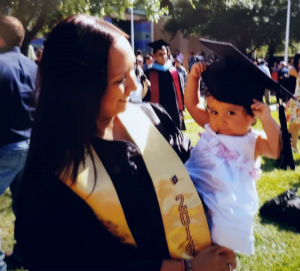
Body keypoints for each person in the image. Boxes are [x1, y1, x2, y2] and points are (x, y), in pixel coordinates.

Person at [15, 15, 236, 271]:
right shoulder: (55, 170)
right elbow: (82, 259)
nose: (134, 85)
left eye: (133, 68)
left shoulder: (152, 117)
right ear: (81, 89)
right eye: (119, 80)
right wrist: (188, 269)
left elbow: (197, 172)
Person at [184, 39, 293, 255]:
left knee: (221, 253)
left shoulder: (252, 142)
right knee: (194, 246)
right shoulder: (211, 127)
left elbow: (278, 149)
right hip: (195, 199)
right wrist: (193, 78)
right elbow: (192, 105)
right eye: (214, 111)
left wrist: (268, 120)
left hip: (227, 212)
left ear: (252, 116)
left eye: (230, 113)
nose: (219, 119)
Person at [0, 15, 37, 270]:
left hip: (6, 147)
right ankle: (25, 255)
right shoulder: (35, 67)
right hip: (32, 146)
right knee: (26, 206)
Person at [144, 39, 186, 130]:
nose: (163, 57)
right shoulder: (149, 73)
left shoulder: (173, 71)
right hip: (157, 111)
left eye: (165, 54)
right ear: (154, 55)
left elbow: (179, 91)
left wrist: (182, 109)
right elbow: (146, 96)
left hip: (173, 111)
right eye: (160, 54)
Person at [285, 53, 300, 152]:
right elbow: (290, 71)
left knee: (296, 125)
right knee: (293, 124)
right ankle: (291, 145)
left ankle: (293, 146)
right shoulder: (294, 71)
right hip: (296, 101)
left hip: (296, 101)